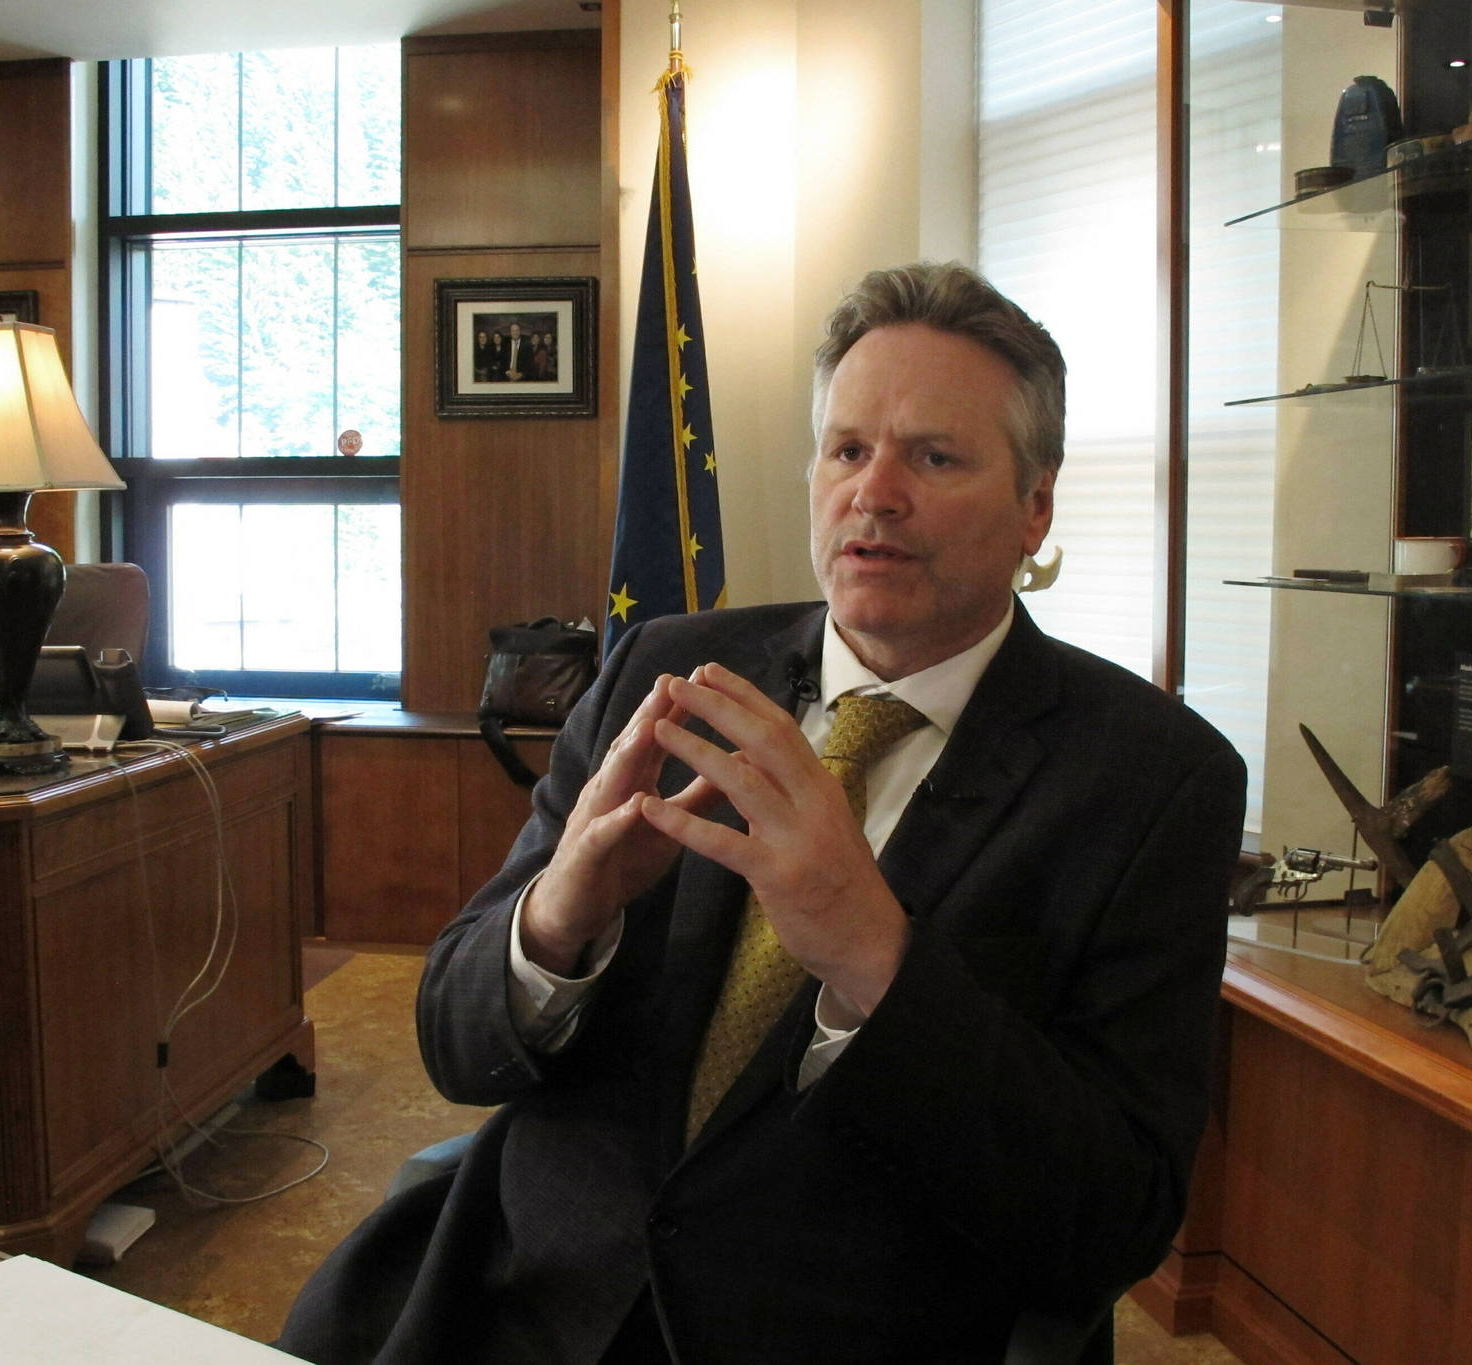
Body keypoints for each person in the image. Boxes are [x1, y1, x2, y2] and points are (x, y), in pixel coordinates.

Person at [277, 262, 1247, 1365]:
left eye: (932, 457)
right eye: (846, 450)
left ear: (1035, 506)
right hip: (522, 1307)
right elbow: (457, 1047)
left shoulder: (1152, 780)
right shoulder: (668, 671)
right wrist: (557, 917)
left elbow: (1108, 1219)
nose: (872, 493)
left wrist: (874, 957)